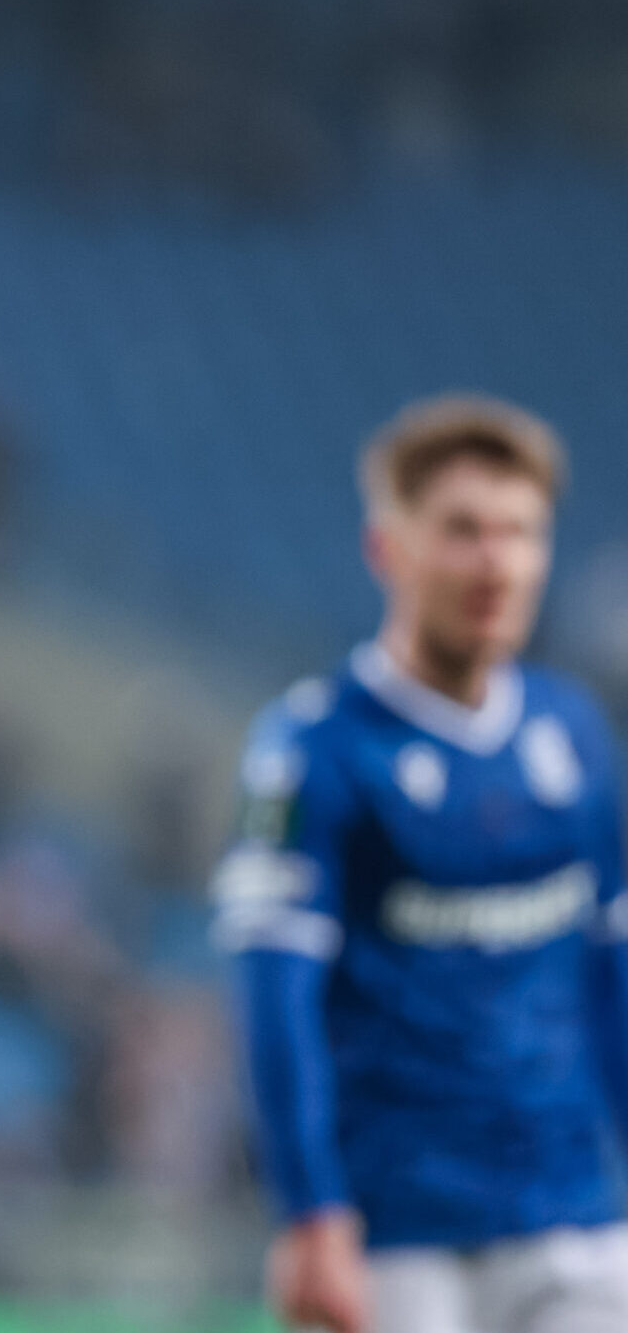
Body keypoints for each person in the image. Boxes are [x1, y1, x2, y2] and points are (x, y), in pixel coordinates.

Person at [216, 396, 628, 1333]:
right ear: (388, 549)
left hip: (573, 1213)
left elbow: (611, 974)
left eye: (520, 533)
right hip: (397, 1234)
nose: (496, 564)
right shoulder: (313, 749)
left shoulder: (573, 733)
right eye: (464, 531)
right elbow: (276, 1000)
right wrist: (310, 1212)